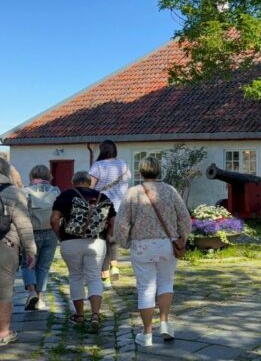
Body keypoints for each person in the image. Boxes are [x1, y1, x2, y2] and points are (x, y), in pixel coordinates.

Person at [115, 157, 190, 347]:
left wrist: (123, 242)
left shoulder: (132, 193)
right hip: (167, 243)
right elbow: (184, 218)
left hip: (142, 245)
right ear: (159, 171)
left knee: (145, 288)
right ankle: (164, 322)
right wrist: (183, 237)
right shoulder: (170, 191)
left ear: (140, 172)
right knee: (166, 282)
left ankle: (147, 333)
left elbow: (122, 222)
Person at [51, 171, 115, 334]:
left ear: (74, 182)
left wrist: (60, 235)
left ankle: (79, 315)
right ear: (89, 182)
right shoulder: (103, 196)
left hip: (70, 242)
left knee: (76, 277)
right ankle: (95, 315)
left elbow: (54, 219)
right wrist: (107, 235)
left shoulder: (66, 195)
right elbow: (113, 219)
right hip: (96, 242)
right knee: (94, 277)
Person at [0, 157, 37, 346]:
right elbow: (24, 224)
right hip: (6, 245)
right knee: (4, 290)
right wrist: (31, 249)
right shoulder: (14, 192)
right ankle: (3, 332)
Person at [88, 140, 131, 289]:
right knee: (113, 238)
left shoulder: (98, 166)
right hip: (120, 206)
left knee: (102, 240)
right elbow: (126, 182)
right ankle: (115, 266)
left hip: (102, 207)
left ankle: (105, 276)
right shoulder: (124, 165)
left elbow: (90, 187)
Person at [21, 165, 61, 310]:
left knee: (27, 264)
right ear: (48, 176)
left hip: (30, 233)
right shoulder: (56, 191)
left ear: (31, 176)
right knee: (44, 266)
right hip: (50, 233)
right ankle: (39, 298)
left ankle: (31, 291)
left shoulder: (25, 191)